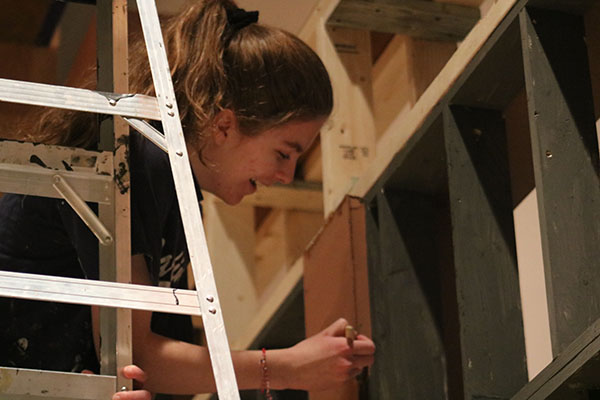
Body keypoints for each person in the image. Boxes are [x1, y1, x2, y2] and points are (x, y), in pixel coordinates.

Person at [0, 1, 376, 399]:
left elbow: (149, 367)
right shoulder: (139, 156)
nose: (285, 176)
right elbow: (139, 354)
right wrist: (286, 367)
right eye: (284, 153)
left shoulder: (174, 192)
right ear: (224, 125)